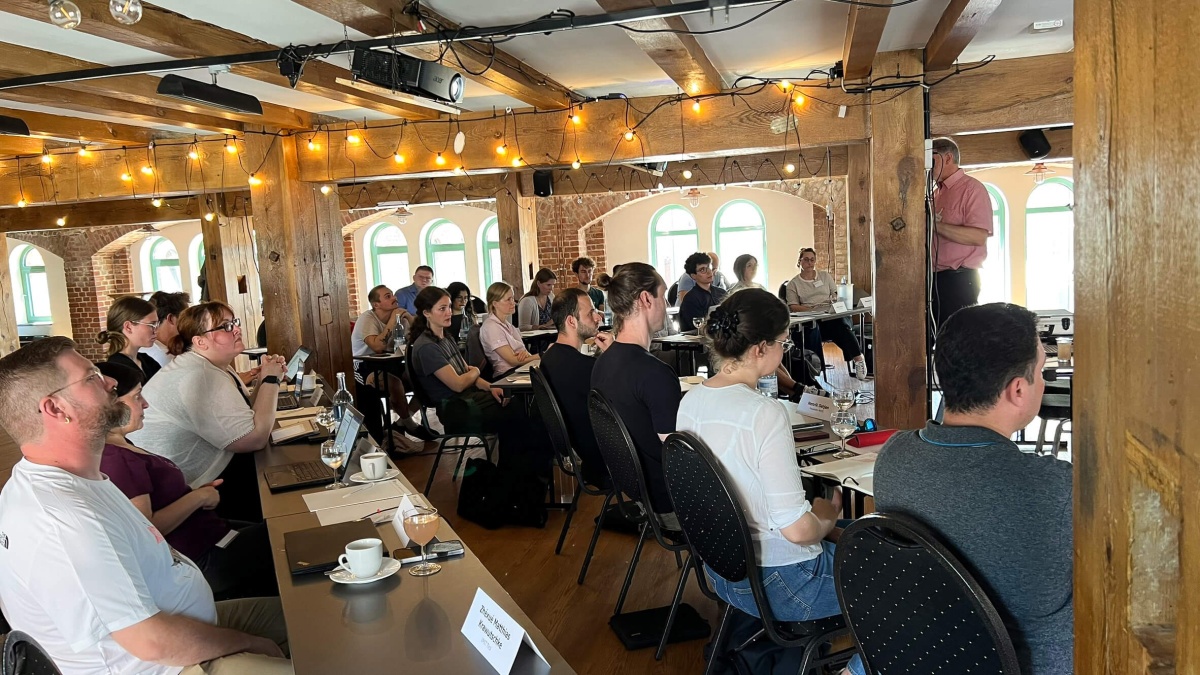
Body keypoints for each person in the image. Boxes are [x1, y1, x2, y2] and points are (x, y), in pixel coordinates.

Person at [0, 337, 291, 675]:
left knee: (318, 614)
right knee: (328, 644)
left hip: (184, 625)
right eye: (92, 377)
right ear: (56, 409)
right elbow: (151, 642)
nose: (110, 382)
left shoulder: (73, 477)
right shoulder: (62, 519)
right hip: (165, 664)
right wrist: (250, 643)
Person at [874, 303, 1071, 674]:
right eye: (1041, 371)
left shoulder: (894, 456)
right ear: (1017, 390)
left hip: (918, 657)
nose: (1042, 382)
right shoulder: (1054, 489)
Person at [677, 289, 863, 675]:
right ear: (761, 348)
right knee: (916, 581)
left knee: (864, 537)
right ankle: (854, 671)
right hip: (783, 584)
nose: (785, 349)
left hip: (723, 572)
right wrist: (827, 515)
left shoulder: (690, 402)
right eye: (784, 342)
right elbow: (797, 531)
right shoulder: (763, 413)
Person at [98, 361, 277, 602]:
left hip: (210, 536)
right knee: (286, 538)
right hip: (203, 557)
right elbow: (148, 527)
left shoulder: (122, 446)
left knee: (278, 525)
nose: (145, 403)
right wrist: (198, 497)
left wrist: (194, 495)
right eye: (137, 397)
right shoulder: (117, 459)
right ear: (112, 405)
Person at [130, 302, 287, 522]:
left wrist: (263, 380)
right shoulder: (201, 375)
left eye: (234, 322)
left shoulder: (212, 366)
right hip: (193, 491)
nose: (236, 329)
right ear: (200, 341)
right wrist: (271, 380)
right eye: (225, 326)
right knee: (283, 484)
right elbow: (254, 439)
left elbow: (245, 415)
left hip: (204, 476)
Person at [591, 263, 681, 530]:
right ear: (645, 298)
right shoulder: (655, 373)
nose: (665, 305)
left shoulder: (603, 363)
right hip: (669, 502)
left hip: (636, 490)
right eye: (662, 296)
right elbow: (677, 454)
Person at [539, 287, 613, 486]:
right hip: (608, 458)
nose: (598, 317)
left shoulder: (551, 357)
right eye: (590, 313)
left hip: (584, 452)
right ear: (571, 321)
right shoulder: (584, 367)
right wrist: (613, 356)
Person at [409, 286, 507, 432]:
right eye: (442, 309)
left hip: (467, 399)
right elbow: (458, 384)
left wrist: (491, 387)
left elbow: (466, 372)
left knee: (513, 402)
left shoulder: (446, 337)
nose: (449, 312)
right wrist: (476, 371)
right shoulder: (427, 347)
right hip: (455, 409)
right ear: (426, 313)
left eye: (449, 306)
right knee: (515, 412)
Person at [350, 285, 428, 454]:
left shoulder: (401, 317)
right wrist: (394, 319)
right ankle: (410, 425)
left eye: (392, 294)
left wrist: (408, 317)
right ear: (376, 304)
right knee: (395, 384)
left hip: (392, 363)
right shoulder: (367, 318)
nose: (394, 298)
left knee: (426, 379)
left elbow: (423, 337)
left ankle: (401, 422)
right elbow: (377, 346)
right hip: (363, 366)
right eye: (387, 296)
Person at [931, 136, 993, 327]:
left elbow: (978, 236)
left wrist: (934, 226)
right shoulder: (936, 193)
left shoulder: (972, 189)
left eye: (932, 160)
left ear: (948, 158)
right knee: (940, 338)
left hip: (960, 279)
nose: (927, 166)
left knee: (958, 339)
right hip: (936, 279)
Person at [785, 248, 867, 380]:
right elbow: (793, 307)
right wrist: (813, 311)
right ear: (799, 261)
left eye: (812, 260)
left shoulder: (825, 276)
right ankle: (857, 358)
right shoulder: (793, 284)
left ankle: (858, 360)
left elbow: (836, 294)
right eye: (806, 259)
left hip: (832, 314)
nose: (810, 263)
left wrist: (834, 301)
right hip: (813, 320)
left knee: (839, 324)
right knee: (837, 327)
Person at [480, 282, 539, 376]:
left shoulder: (508, 325)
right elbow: (513, 360)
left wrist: (525, 355)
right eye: (508, 299)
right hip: (507, 375)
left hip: (520, 368)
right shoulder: (491, 327)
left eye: (512, 298)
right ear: (495, 303)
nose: (513, 302)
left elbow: (524, 352)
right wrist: (542, 356)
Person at [100, 296, 163, 381]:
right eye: (152, 325)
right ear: (128, 327)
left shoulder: (147, 361)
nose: (156, 331)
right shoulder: (116, 369)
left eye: (157, 324)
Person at [678, 252, 728, 331]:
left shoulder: (722, 292)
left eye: (709, 267)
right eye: (702, 269)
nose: (709, 271)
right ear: (693, 276)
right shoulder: (690, 299)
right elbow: (696, 327)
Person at [144, 291, 190, 365]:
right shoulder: (164, 358)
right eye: (185, 318)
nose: (189, 323)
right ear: (171, 319)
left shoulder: (147, 347)